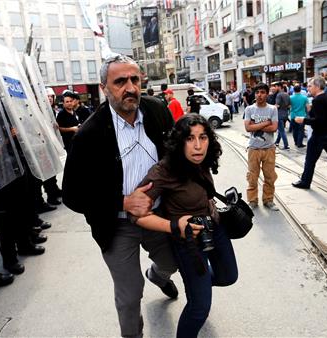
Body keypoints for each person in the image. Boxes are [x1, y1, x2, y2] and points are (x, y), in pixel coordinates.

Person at [62, 55, 178, 338]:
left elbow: (175, 156)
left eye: (135, 80)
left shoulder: (157, 110)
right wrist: (121, 202)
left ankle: (157, 277)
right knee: (129, 296)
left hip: (158, 217)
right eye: (120, 81)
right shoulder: (89, 133)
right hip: (117, 226)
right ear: (105, 87)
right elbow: (72, 194)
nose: (130, 88)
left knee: (171, 264)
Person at [134, 114, 238, 337]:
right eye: (190, 139)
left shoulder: (204, 159)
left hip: (214, 228)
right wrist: (174, 225)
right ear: (180, 141)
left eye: (203, 137)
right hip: (188, 240)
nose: (198, 146)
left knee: (229, 276)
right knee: (199, 309)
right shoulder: (163, 171)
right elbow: (137, 214)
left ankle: (196, 285)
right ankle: (194, 288)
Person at [243, 83, 279, 211]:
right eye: (257, 92)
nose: (259, 95)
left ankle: (268, 200)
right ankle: (252, 200)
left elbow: (274, 128)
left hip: (269, 148)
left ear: (267, 93)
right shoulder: (249, 109)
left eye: (262, 92)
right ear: (254, 94)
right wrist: (266, 122)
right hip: (254, 149)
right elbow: (248, 128)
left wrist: (256, 125)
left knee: (270, 177)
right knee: (252, 177)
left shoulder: (272, 109)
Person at [274, 83, 291, 149]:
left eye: (276, 86)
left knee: (281, 131)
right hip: (285, 114)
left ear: (279, 87)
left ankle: (286, 145)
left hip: (279, 115)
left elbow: (277, 105)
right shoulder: (287, 94)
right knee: (281, 129)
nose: (275, 88)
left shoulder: (279, 95)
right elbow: (289, 105)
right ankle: (277, 142)